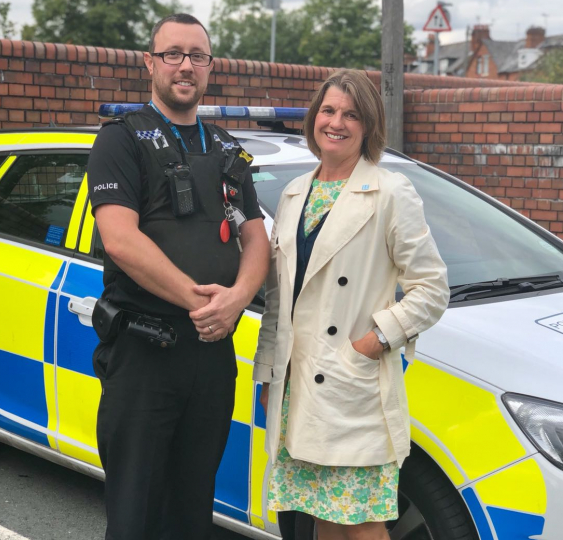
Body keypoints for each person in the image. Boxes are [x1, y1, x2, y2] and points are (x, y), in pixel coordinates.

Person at [86, 13, 270, 540]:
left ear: (210, 67)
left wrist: (236, 299)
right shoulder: (121, 141)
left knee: (192, 508)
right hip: (146, 352)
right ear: (150, 62)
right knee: (135, 512)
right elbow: (120, 239)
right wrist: (200, 301)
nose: (185, 66)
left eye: (197, 56)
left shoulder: (226, 149)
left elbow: (256, 237)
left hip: (211, 356)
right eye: (173, 54)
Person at [253, 69, 449, 540]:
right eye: (328, 110)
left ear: (368, 126)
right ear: (313, 118)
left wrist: (373, 341)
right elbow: (280, 296)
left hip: (351, 385)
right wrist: (267, 371)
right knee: (322, 516)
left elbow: (432, 288)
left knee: (361, 524)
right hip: (296, 384)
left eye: (351, 114)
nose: (336, 122)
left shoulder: (390, 191)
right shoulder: (295, 191)